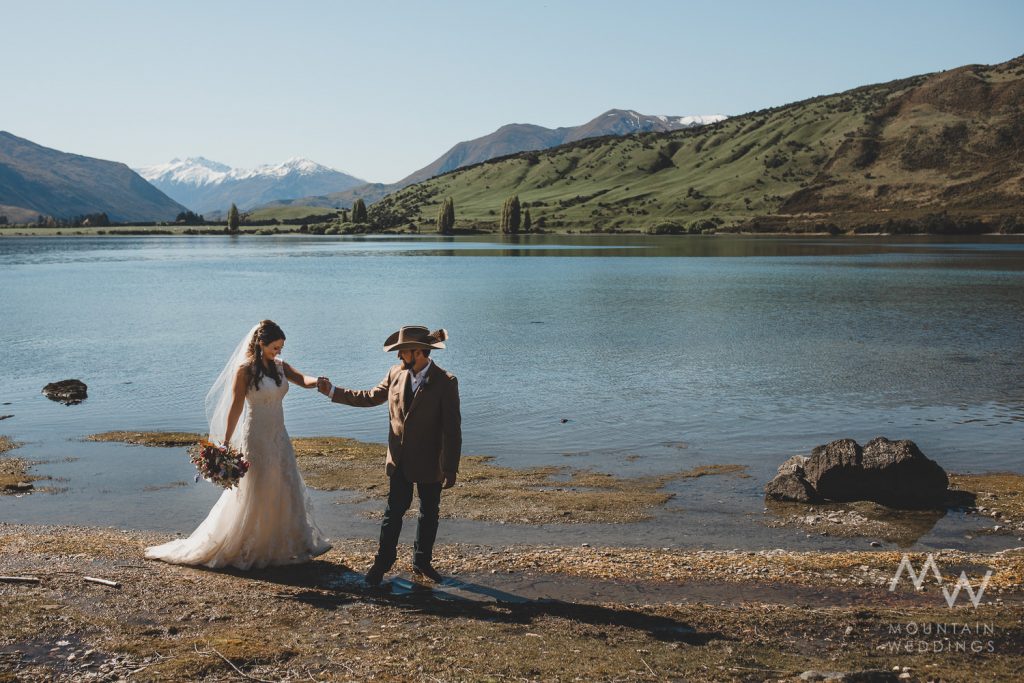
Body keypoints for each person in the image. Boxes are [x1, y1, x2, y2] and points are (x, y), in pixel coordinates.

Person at [145, 320, 331, 569]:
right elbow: (235, 407)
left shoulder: (279, 366)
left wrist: (317, 381)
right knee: (258, 485)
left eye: (282, 346)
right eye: (276, 347)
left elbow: (301, 378)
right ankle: (252, 544)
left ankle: (285, 542)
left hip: (279, 435)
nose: (280, 351)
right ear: (261, 344)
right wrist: (223, 444)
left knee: (283, 483)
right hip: (256, 437)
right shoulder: (244, 370)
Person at [318, 325, 461, 587]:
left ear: (419, 352)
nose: (398, 357)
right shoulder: (396, 373)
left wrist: (450, 468)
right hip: (399, 461)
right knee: (392, 514)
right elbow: (371, 397)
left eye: (402, 351)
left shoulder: (446, 382)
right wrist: (332, 391)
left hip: (431, 462)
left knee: (429, 514)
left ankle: (422, 562)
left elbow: (452, 429)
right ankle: (381, 564)